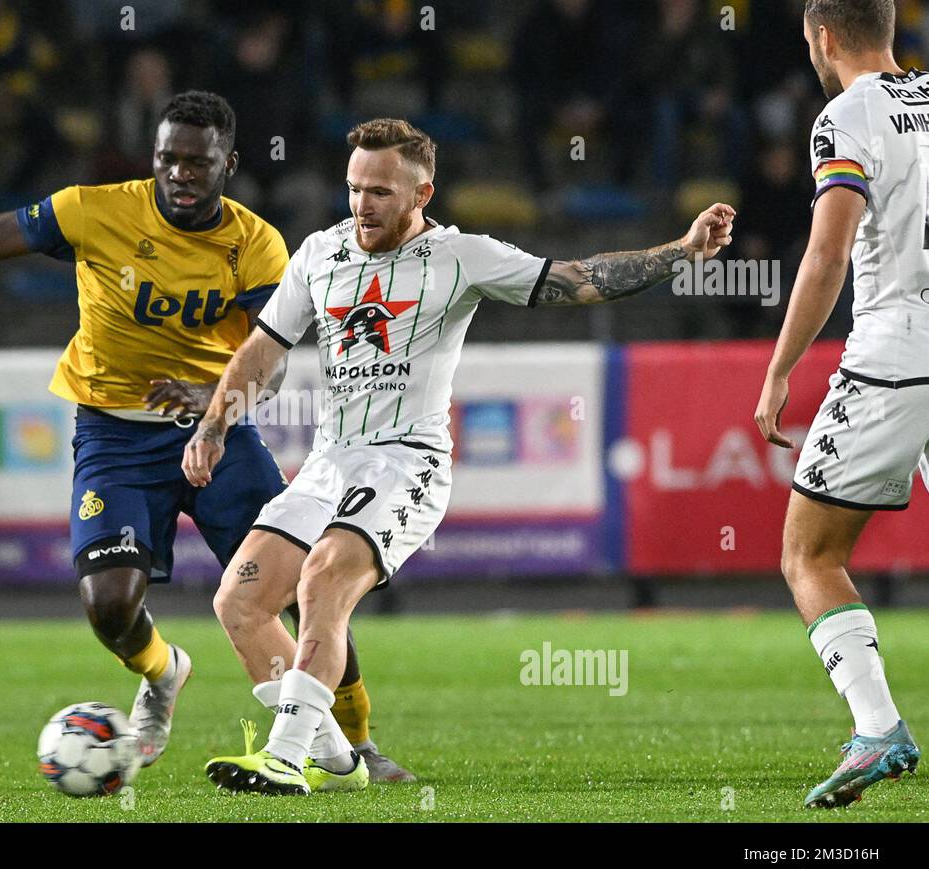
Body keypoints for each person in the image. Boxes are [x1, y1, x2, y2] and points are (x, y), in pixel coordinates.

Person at [0, 91, 413, 782]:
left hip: (218, 436)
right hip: (113, 437)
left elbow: (271, 360)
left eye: (199, 162)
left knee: (302, 586)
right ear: (153, 158)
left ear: (230, 163)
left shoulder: (254, 243)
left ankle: (358, 742)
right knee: (108, 606)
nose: (181, 174)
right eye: (168, 159)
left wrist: (213, 399)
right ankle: (164, 672)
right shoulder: (92, 210)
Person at [183, 117, 735, 795]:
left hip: (405, 463)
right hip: (330, 463)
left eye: (381, 191)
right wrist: (214, 424)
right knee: (238, 602)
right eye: (355, 188)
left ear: (422, 193)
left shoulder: (461, 256)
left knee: (323, 578)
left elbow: (579, 281)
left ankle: (285, 756)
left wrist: (680, 249)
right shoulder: (318, 255)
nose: (362, 204)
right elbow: (264, 351)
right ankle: (336, 759)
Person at [754, 0, 923, 808]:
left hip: (897, 354)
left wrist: (781, 368)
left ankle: (879, 729)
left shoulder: (844, 116)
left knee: (809, 555)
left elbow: (828, 252)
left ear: (823, 36)